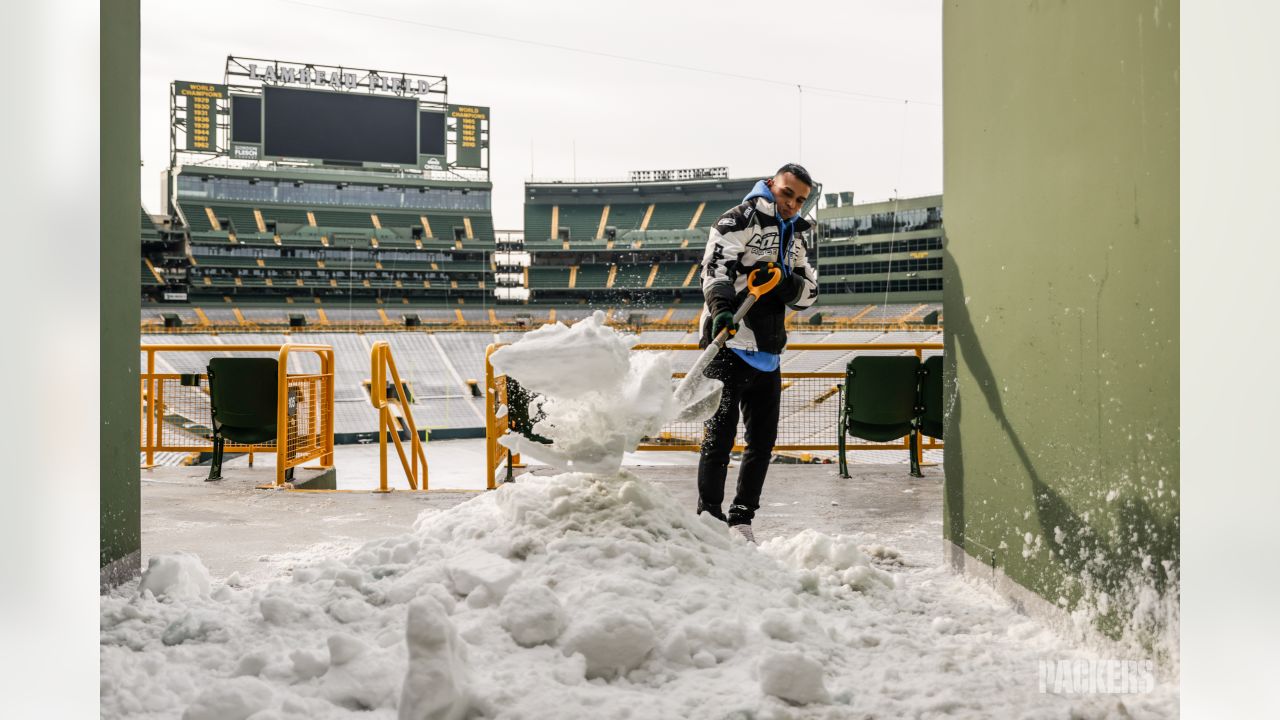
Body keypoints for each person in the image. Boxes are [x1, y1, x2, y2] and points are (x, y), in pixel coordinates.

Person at [695, 163, 819, 542]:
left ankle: (742, 519)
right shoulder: (736, 220)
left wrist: (784, 280)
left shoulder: (797, 234)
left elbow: (809, 295)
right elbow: (714, 270)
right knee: (718, 441)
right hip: (727, 343)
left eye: (800, 200)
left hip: (768, 351)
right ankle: (710, 520)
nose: (792, 205)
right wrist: (721, 309)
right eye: (787, 194)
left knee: (761, 444)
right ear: (770, 185)